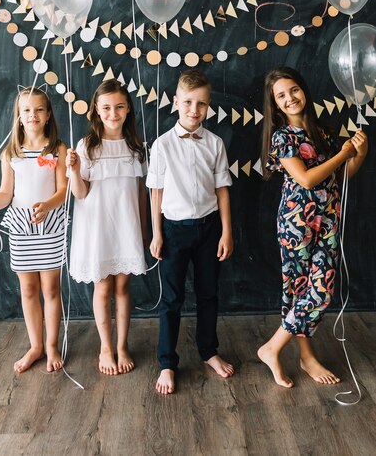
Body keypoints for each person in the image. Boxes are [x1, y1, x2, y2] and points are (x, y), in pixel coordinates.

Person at [258, 66, 368, 388]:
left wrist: (359, 153)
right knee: (301, 291)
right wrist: (343, 154)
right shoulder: (282, 137)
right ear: (275, 104)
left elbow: (341, 176)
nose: (290, 98)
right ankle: (284, 351)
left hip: (328, 221)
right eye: (281, 95)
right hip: (297, 223)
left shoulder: (321, 132)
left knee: (319, 290)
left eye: (293, 90)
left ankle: (282, 350)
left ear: (303, 89)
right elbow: (306, 179)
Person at [0, 86, 68, 373]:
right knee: (28, 289)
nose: (32, 115)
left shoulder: (58, 148)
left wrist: (47, 205)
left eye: (38, 109)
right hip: (21, 226)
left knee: (50, 288)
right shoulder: (11, 152)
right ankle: (35, 345)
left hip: (50, 224)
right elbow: (5, 194)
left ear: (48, 115)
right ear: (19, 116)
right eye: (26, 110)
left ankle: (51, 345)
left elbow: (64, 190)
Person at [146, 69, 234, 395]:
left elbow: (223, 189)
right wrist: (156, 234)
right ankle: (167, 362)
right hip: (173, 230)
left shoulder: (215, 143)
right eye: (187, 102)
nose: (193, 109)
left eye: (200, 104)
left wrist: (227, 232)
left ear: (208, 106)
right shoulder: (162, 145)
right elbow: (155, 192)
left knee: (208, 294)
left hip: (210, 228)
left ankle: (209, 351)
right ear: (176, 102)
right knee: (171, 298)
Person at [66, 79, 147, 376]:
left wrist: (145, 230)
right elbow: (80, 193)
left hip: (126, 224)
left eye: (119, 107)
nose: (113, 113)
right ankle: (105, 346)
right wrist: (74, 170)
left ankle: (123, 344)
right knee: (103, 286)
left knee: (123, 285)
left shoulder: (136, 146)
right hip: (98, 226)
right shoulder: (86, 146)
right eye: (107, 108)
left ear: (128, 110)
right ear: (96, 111)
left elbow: (140, 192)